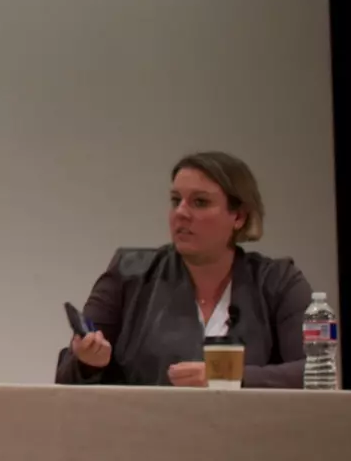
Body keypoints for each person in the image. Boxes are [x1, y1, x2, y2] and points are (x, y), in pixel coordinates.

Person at [57, 152, 312, 389]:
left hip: (251, 423)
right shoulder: (128, 273)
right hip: (146, 422)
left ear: (239, 217)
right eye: (176, 200)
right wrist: (88, 363)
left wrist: (225, 377)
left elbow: (315, 371)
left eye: (200, 202)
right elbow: (66, 378)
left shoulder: (278, 281)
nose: (181, 212)